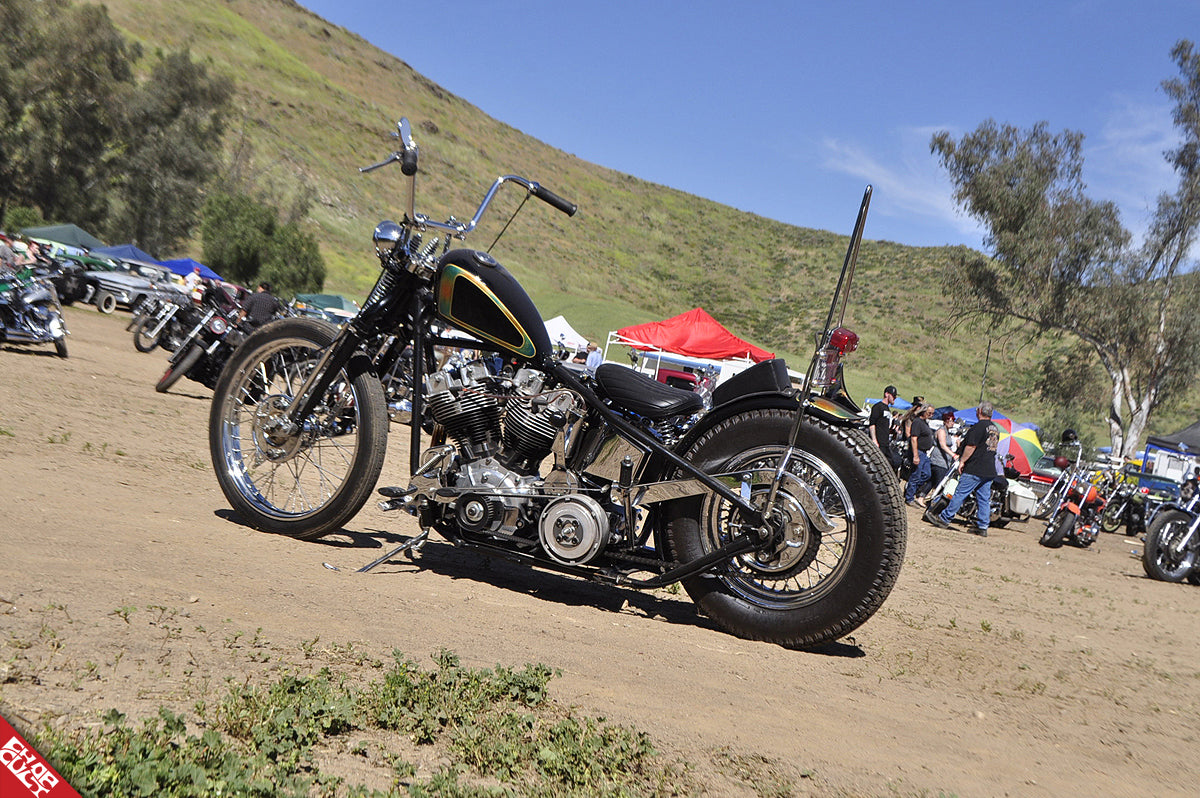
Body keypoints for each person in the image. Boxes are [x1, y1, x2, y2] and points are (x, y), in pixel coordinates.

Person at [924, 400, 1001, 537]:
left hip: (975, 467)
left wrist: (962, 461)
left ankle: (944, 518)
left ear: (979, 411)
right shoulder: (995, 429)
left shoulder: (978, 427)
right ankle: (983, 526)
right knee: (983, 498)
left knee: (960, 493)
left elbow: (971, 446)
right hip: (989, 468)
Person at [905, 403, 936, 508]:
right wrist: (915, 455)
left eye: (933, 413)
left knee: (927, 474)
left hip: (924, 452)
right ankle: (909, 497)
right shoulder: (917, 422)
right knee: (916, 475)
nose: (931, 415)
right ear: (923, 411)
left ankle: (910, 489)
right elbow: (914, 439)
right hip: (918, 451)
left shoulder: (924, 423)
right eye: (929, 413)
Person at [925, 411, 959, 499]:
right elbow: (943, 445)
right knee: (939, 482)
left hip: (945, 461)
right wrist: (953, 455)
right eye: (950, 420)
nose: (952, 423)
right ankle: (933, 499)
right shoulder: (941, 430)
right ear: (945, 421)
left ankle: (922, 496)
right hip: (938, 459)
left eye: (953, 421)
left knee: (932, 481)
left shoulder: (948, 432)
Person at [869, 385, 900, 468]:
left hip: (885, 442)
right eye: (893, 395)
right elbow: (872, 424)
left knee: (892, 462)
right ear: (887, 394)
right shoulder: (878, 407)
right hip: (879, 442)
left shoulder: (887, 409)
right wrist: (874, 440)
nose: (895, 398)